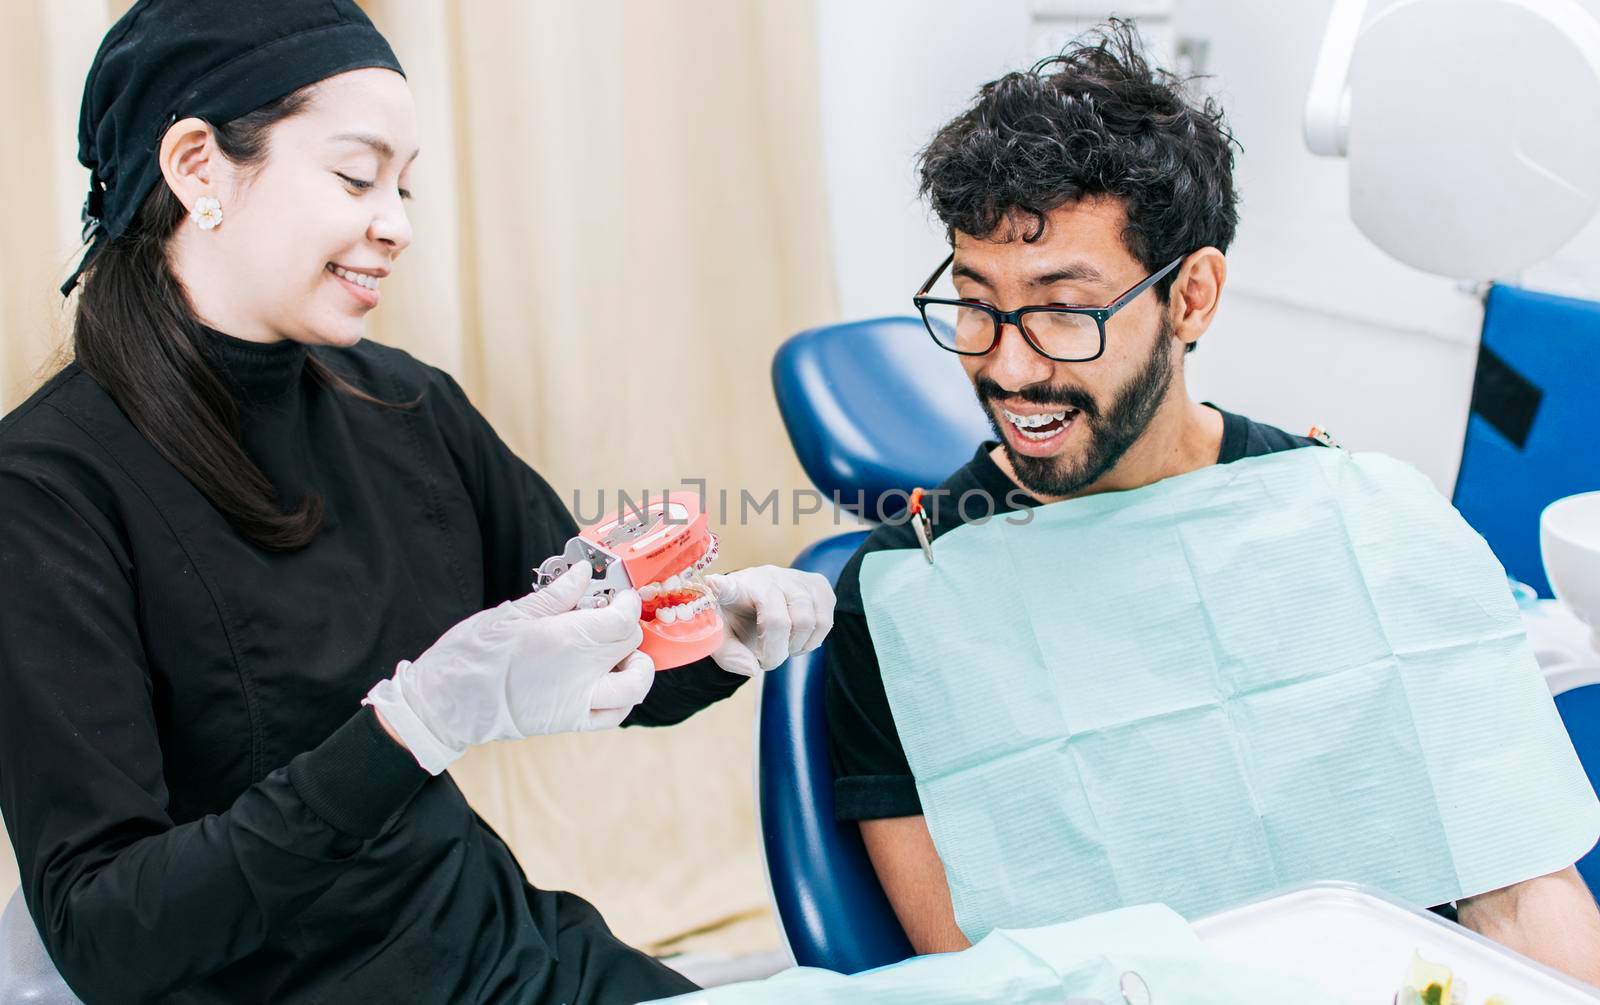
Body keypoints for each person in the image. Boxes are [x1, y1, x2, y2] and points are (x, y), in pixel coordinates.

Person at [0, 2, 832, 1002]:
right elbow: (105, 932)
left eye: (405, 185)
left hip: (506, 955)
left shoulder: (403, 406)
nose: (395, 223)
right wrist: (412, 727)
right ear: (198, 168)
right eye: (356, 177)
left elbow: (598, 650)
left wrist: (720, 630)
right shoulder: (48, 490)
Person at [824, 22, 1600, 984]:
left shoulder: (1358, 525)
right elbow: (981, 971)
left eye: (1064, 308)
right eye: (977, 303)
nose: (1009, 364)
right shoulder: (905, 605)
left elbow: (1519, 893)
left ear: (1191, 297)